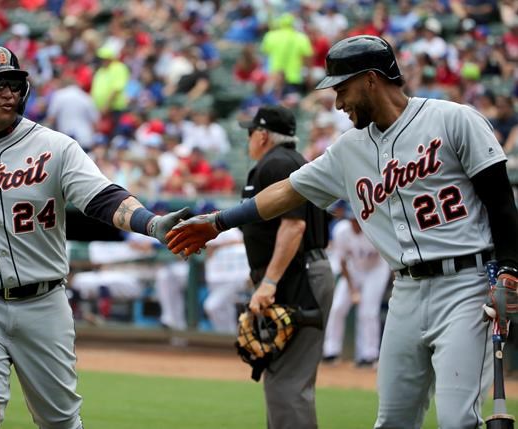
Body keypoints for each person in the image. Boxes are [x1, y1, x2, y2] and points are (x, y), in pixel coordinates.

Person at [166, 35, 518, 429]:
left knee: (457, 421)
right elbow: (285, 191)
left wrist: (509, 268)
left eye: (342, 88)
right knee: (392, 421)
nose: (337, 102)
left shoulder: (454, 119)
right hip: (404, 291)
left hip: (466, 285)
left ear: (370, 79)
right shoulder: (348, 149)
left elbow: (502, 202)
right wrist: (217, 222)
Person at [0, 46, 190, 429]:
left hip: (43, 303)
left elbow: (102, 197)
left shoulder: (55, 147)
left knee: (59, 421)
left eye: (15, 83)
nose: (8, 92)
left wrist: (150, 223)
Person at [197, 105, 336, 428]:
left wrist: (269, 282)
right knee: (284, 381)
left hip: (297, 276)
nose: (247, 138)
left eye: (250, 132)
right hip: (300, 271)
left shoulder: (277, 164)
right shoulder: (287, 162)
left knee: (287, 385)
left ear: (262, 135)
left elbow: (293, 226)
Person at [322, 206, 391, 367]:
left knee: (368, 312)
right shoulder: (341, 231)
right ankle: (331, 351)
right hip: (353, 271)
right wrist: (353, 289)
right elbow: (343, 262)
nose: (355, 222)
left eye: (357, 218)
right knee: (337, 307)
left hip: (376, 270)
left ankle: (369, 355)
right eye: (352, 219)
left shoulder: (375, 230)